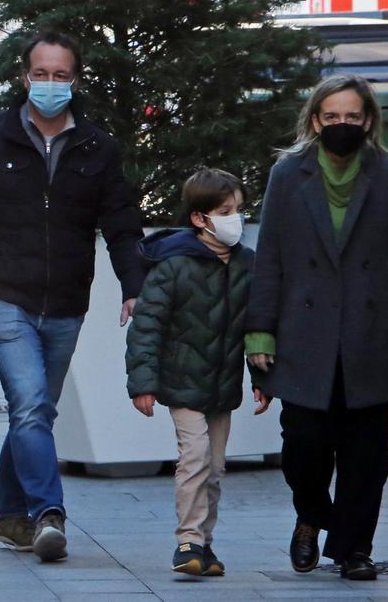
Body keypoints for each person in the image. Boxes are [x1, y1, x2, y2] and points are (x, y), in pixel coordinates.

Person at [0, 30, 146, 562]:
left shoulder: (97, 148)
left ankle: (10, 512)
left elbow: (121, 224)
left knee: (37, 412)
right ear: (23, 76)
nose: (51, 84)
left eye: (62, 75)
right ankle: (48, 514)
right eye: (42, 74)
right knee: (29, 405)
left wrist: (134, 286)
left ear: (75, 80)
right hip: (4, 293)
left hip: (67, 301)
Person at [246, 74, 388, 581]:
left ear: (368, 120)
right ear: (315, 120)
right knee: (303, 444)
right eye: (331, 116)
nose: (341, 124)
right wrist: (260, 333)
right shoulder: (288, 175)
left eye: (351, 116)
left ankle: (355, 548)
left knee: (367, 453)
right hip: (302, 333)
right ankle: (312, 515)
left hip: (368, 330)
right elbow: (269, 258)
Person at [126, 169, 268, 577]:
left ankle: (205, 543)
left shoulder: (247, 266)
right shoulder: (173, 267)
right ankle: (187, 539)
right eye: (225, 211)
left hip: (222, 385)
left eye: (238, 210)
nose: (235, 219)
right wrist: (144, 384)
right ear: (199, 219)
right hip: (182, 381)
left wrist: (262, 380)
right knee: (195, 456)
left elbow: (256, 327)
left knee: (216, 466)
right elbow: (147, 326)